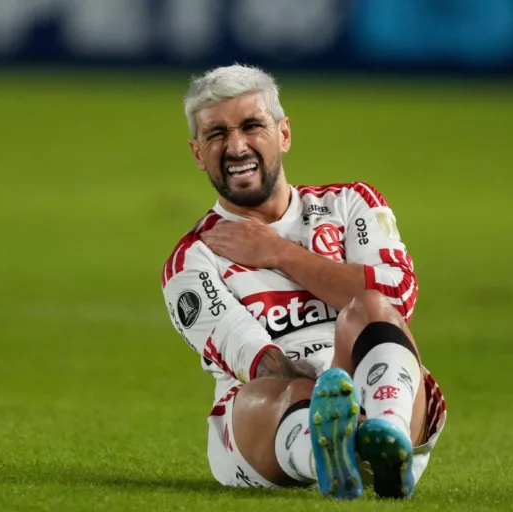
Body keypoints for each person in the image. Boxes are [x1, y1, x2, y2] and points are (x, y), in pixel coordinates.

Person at [160, 64, 447, 500]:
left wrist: (280, 253)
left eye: (251, 126)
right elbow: (258, 360)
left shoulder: (350, 204)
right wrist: (329, 405)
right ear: (198, 153)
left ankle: (385, 439)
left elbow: (398, 299)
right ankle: (328, 455)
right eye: (216, 134)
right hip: (271, 428)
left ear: (284, 134)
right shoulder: (193, 258)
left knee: (371, 306)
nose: (236, 146)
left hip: (378, 388)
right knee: (275, 388)